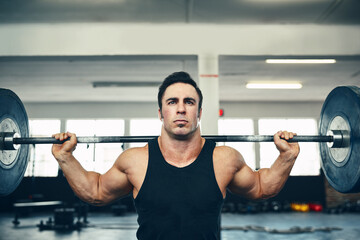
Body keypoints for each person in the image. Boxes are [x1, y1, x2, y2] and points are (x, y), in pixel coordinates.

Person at [52, 71, 300, 240]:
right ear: (160, 113)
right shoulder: (135, 161)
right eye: (172, 102)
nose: (181, 108)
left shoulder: (224, 159)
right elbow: (96, 192)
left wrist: (286, 157)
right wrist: (65, 158)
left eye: (189, 102)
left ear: (199, 112)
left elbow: (260, 188)